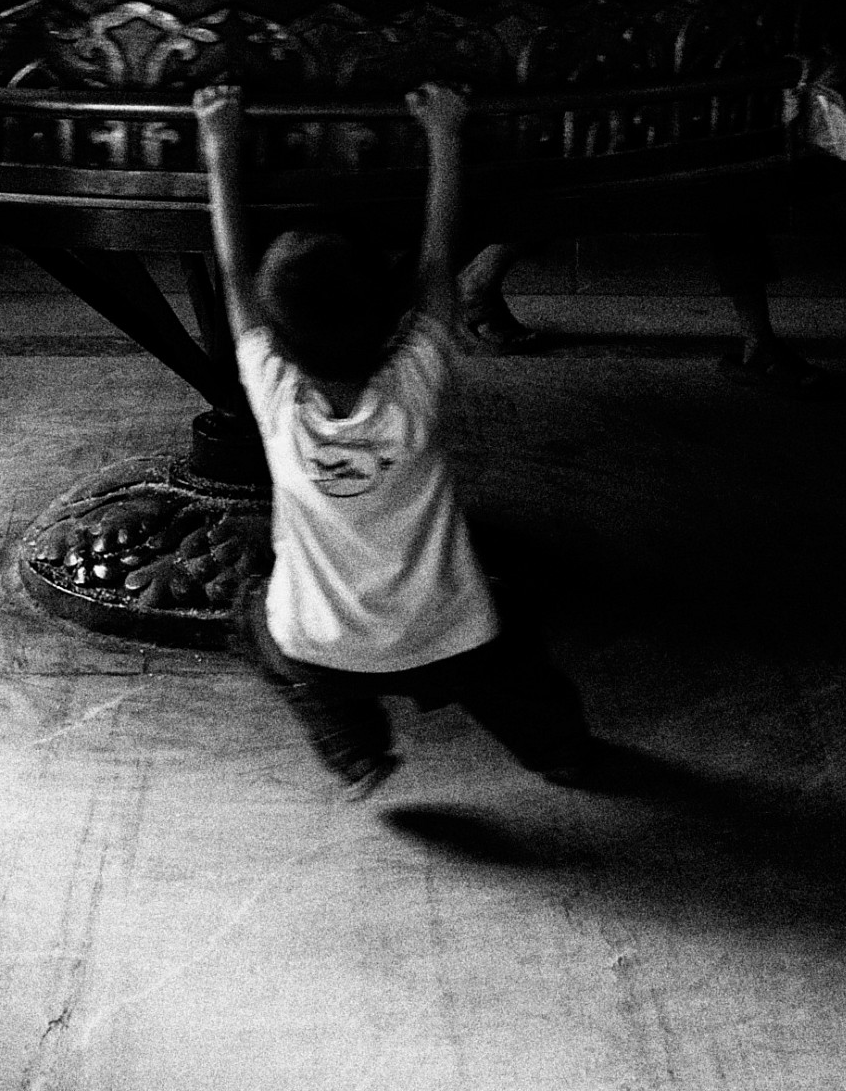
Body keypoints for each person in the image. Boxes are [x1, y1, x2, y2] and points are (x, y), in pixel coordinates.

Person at [194, 79, 592, 801]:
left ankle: (354, 751)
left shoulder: (274, 396)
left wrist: (217, 146)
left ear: (273, 338)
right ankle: (558, 753)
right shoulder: (414, 383)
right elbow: (438, 262)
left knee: (251, 616)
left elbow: (229, 274)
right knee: (517, 663)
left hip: (320, 646)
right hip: (453, 633)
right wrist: (445, 134)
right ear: (391, 315)